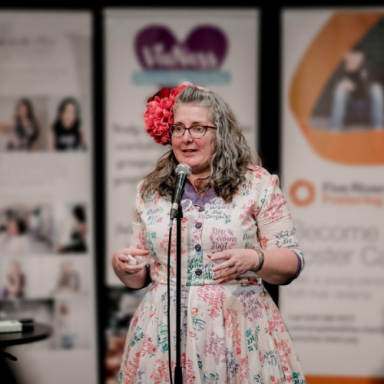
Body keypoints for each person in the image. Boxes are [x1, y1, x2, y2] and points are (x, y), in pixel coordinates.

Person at [112, 83, 306, 383]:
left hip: (238, 328)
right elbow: (140, 274)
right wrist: (122, 267)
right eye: (178, 128)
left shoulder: (257, 184)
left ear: (220, 133)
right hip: (165, 333)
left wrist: (255, 259)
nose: (186, 138)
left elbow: (292, 262)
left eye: (198, 128)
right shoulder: (150, 191)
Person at [330, 46, 384, 130]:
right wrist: (341, 81)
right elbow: (331, 84)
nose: (352, 58)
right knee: (340, 89)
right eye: (349, 54)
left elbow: (365, 89)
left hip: (366, 105)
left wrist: (355, 80)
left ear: (361, 56)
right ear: (345, 55)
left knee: (376, 88)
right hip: (350, 107)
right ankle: (334, 129)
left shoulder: (367, 66)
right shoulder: (340, 67)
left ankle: (379, 127)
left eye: (356, 55)